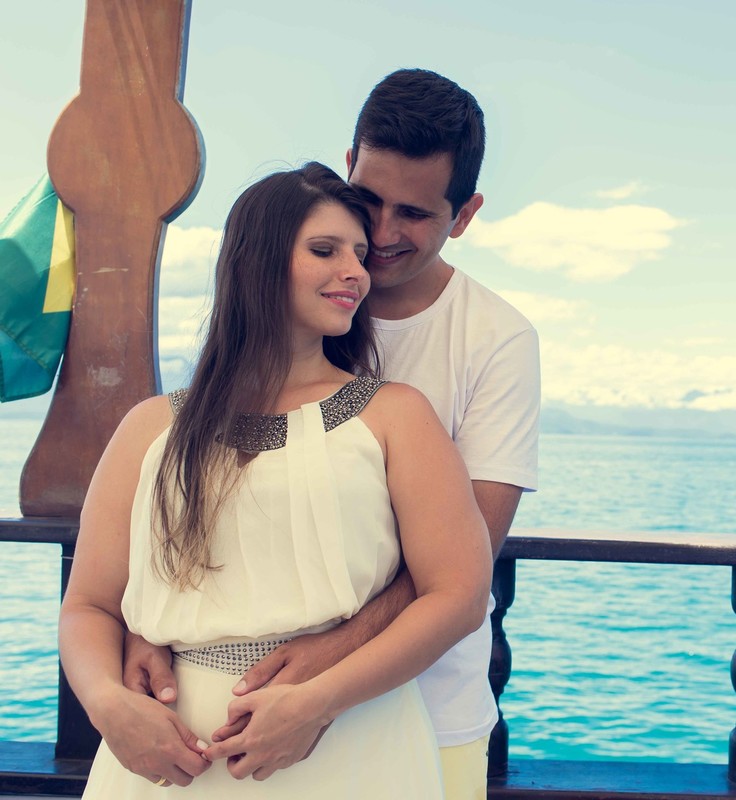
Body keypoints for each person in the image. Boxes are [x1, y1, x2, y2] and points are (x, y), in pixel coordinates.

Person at [123, 69, 541, 798]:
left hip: (428, 709)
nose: (380, 235)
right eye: (369, 200)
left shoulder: (495, 339)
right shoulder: (295, 306)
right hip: (234, 721)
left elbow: (468, 555)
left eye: (413, 213)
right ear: (349, 164)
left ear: (465, 214)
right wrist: (150, 627)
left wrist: (325, 667)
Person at [60, 162, 493, 797]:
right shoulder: (151, 428)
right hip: (169, 761)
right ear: (255, 262)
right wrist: (108, 706)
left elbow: (459, 593)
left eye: (359, 255)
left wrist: (318, 702)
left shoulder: (396, 416)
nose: (356, 271)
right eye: (325, 250)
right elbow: (89, 605)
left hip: (351, 745)